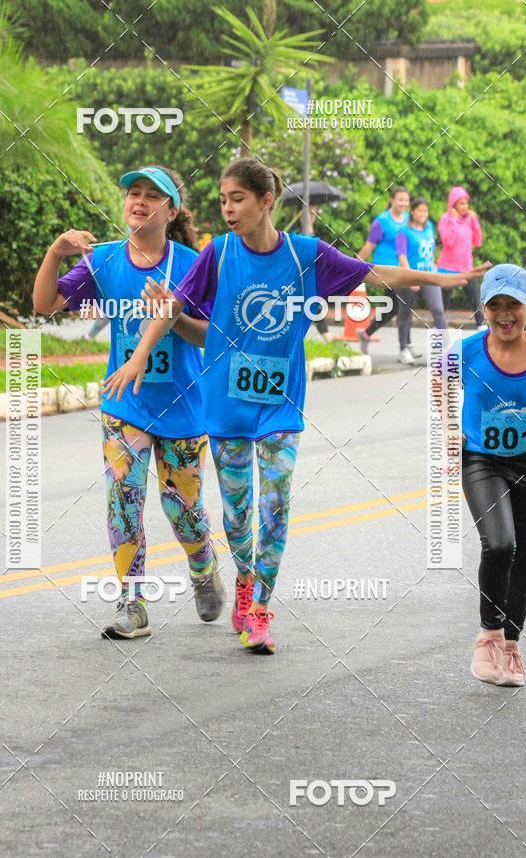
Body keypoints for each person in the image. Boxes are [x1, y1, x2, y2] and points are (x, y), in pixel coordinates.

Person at [104, 158, 488, 656]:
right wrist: (137, 358)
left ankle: (261, 608)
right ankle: (243, 579)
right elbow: (172, 308)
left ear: (267, 202)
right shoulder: (217, 254)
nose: (227, 209)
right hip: (225, 409)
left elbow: (373, 273)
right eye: (222, 200)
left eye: (237, 199)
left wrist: (442, 279)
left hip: (280, 407)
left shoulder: (305, 254)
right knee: (238, 517)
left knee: (276, 505)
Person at [32, 164, 225, 639]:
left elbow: (211, 336)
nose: (138, 201)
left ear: (171, 210)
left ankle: (202, 566)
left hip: (182, 406)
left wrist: (174, 319)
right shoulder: (104, 261)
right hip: (124, 405)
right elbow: (44, 304)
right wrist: (57, 251)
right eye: (132, 193)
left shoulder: (193, 264)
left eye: (150, 195)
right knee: (124, 502)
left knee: (183, 510)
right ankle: (132, 604)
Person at [457, 264, 526, 687]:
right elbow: (440, 393)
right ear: (482, 310)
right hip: (482, 461)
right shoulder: (464, 352)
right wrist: (446, 440)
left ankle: (511, 645)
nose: (505, 315)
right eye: (495, 306)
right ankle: (488, 636)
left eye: (514, 306)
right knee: (501, 542)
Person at [356, 185, 413, 356]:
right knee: (405, 302)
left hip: (404, 269)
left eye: (406, 200)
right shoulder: (381, 222)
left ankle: (365, 334)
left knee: (394, 308)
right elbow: (369, 247)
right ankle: (406, 347)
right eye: (400, 200)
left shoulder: (409, 219)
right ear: (392, 200)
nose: (403, 203)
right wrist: (353, 267)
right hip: (386, 270)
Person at [395, 197, 448, 364]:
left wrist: (433, 265)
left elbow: (430, 251)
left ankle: (447, 348)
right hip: (409, 276)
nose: (423, 214)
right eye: (420, 210)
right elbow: (402, 256)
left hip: (429, 275)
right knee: (405, 312)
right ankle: (403, 348)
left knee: (438, 309)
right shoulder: (404, 232)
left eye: (425, 211)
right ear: (412, 212)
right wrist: (410, 278)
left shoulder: (430, 228)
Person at [437, 186, 485, 328]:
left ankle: (481, 327)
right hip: (447, 268)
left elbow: (477, 242)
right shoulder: (445, 219)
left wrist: (475, 221)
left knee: (476, 299)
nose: (465, 207)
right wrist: (453, 220)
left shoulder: (469, 220)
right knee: (442, 305)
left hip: (466, 268)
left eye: (466, 203)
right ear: (453, 204)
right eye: (461, 203)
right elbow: (448, 241)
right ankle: (438, 331)